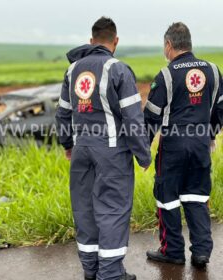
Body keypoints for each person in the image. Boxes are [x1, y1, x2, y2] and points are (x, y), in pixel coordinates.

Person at [56, 17, 151, 280]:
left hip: (82, 149)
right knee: (112, 208)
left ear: (91, 41)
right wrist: (143, 154)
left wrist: (67, 144)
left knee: (84, 208)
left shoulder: (72, 70)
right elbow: (133, 118)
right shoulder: (118, 69)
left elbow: (63, 114)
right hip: (111, 152)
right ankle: (110, 273)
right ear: (115, 41)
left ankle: (92, 269)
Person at [144, 22, 223, 268]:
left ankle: (173, 251)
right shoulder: (213, 70)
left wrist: (143, 149)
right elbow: (220, 110)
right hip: (200, 143)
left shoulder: (166, 74)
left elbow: (151, 117)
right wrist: (209, 135)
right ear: (189, 43)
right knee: (197, 197)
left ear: (169, 45)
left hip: (173, 146)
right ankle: (201, 253)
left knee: (167, 198)